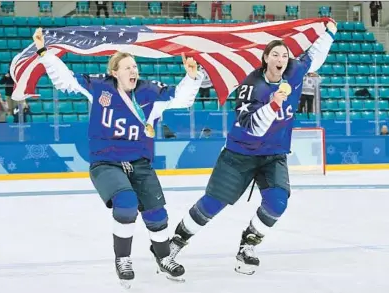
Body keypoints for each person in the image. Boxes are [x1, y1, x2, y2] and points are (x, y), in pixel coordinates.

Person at [31, 28, 203, 287]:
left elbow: (182, 100)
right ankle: (123, 259)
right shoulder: (100, 88)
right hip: (106, 161)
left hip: (140, 162)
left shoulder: (149, 92)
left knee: (157, 215)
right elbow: (64, 80)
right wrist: (45, 53)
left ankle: (163, 257)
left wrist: (191, 77)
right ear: (114, 72)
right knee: (126, 203)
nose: (134, 71)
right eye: (127, 67)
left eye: (135, 66)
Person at [167, 21, 337, 275]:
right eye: (275, 55)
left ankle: (248, 244)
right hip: (240, 154)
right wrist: (274, 105)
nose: (281, 59)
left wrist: (330, 31)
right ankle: (174, 244)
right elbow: (253, 128)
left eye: (284, 55)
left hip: (273, 155)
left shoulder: (294, 70)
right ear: (265, 58)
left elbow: (314, 56)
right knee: (212, 204)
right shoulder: (252, 86)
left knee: (278, 202)